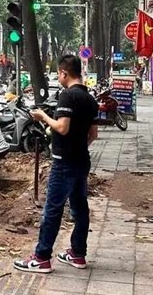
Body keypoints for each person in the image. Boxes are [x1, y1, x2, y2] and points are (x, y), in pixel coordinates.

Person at [13, 55, 99, 273]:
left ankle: (42, 257)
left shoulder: (67, 96)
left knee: (52, 208)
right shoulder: (90, 99)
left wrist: (43, 117)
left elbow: (62, 127)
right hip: (82, 160)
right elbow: (93, 134)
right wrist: (79, 146)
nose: (59, 78)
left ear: (63, 73)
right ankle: (78, 254)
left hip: (64, 163)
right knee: (80, 208)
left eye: (59, 74)